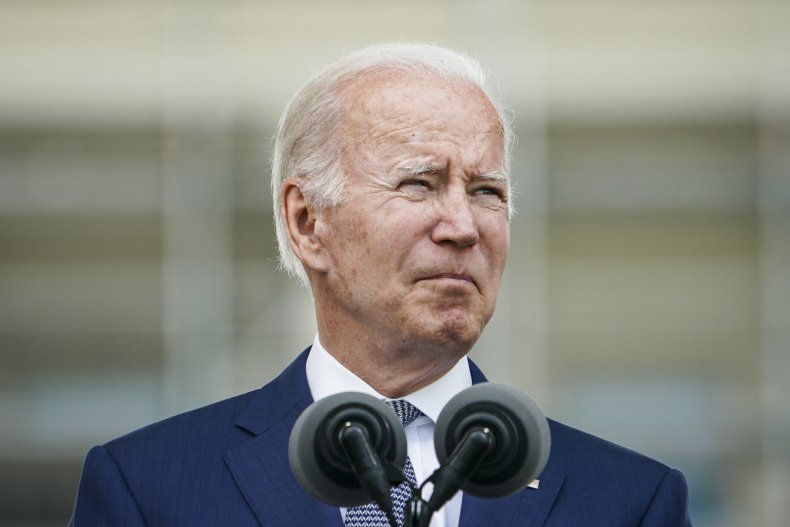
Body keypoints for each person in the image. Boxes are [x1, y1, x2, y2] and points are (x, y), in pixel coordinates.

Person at [69, 42, 692, 526]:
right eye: (418, 183)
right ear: (308, 222)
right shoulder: (148, 487)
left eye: (486, 192)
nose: (463, 226)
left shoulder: (631, 502)